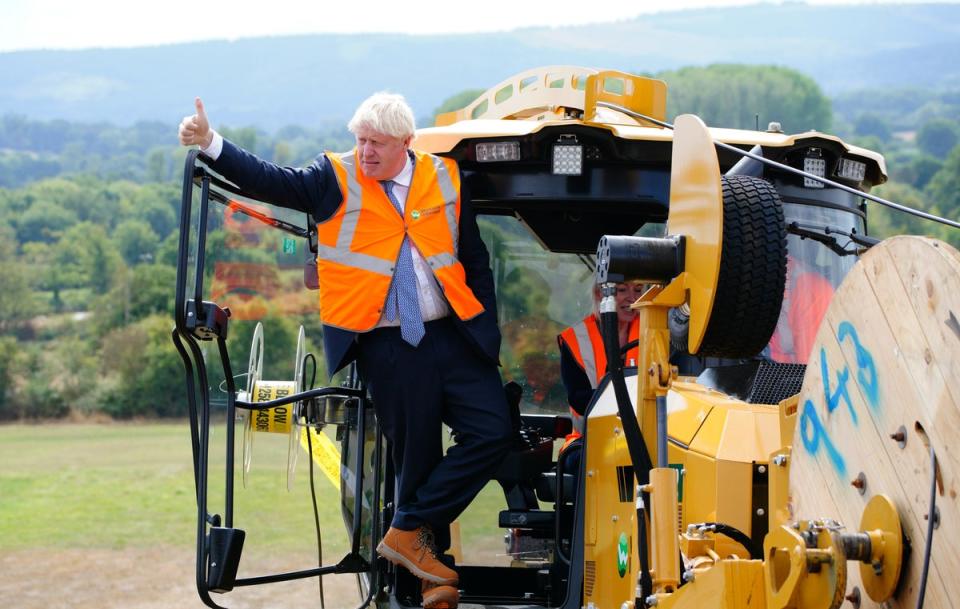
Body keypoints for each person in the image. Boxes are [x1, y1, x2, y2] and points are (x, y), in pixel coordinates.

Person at [179, 94, 512, 608]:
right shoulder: (334, 176)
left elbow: (474, 258)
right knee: (415, 459)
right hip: (389, 344)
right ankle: (430, 581)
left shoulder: (446, 178)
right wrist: (211, 143)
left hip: (454, 336)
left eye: (377, 143)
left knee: (494, 430)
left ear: (407, 142)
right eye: (360, 140)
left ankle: (406, 530)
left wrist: (485, 329)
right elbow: (272, 181)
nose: (366, 152)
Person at [557, 282, 643, 448]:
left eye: (638, 290)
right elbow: (579, 400)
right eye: (622, 290)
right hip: (589, 440)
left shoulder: (656, 329)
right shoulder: (575, 339)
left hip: (646, 437)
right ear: (598, 293)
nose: (633, 298)